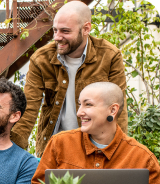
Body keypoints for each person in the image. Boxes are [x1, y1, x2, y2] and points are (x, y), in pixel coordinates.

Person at [31, 82, 160, 184]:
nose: (79, 112)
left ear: (112, 110)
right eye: (79, 105)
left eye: (88, 105)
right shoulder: (59, 144)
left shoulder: (143, 158)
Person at [10, 1, 128, 157]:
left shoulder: (109, 56)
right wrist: (11, 152)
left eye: (65, 31)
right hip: (54, 147)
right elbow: (29, 108)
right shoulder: (41, 59)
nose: (57, 37)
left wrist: (119, 153)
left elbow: (118, 109)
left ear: (86, 29)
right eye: (55, 30)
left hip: (95, 146)